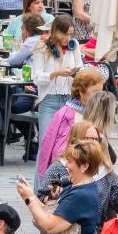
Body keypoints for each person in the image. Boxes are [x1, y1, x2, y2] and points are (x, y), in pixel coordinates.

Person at [29, 15, 85, 162]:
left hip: (69, 101)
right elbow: (36, 78)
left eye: (71, 34)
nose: (68, 37)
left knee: (67, 147)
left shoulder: (74, 46)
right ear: (56, 32)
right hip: (49, 100)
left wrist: (75, 74)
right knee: (46, 146)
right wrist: (56, 73)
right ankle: (40, 184)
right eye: (65, 34)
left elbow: (81, 69)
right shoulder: (42, 47)